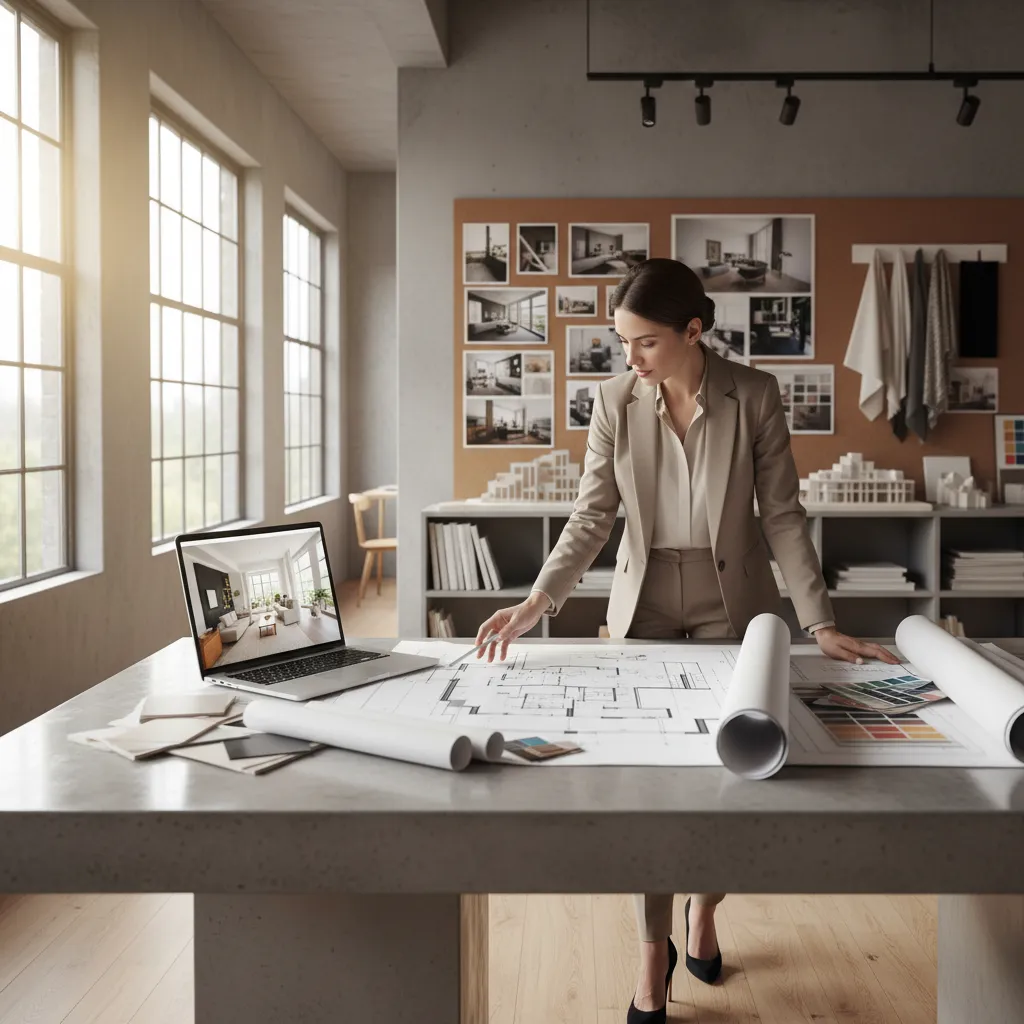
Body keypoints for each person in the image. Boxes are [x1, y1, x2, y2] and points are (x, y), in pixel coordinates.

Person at [473, 258, 899, 1024]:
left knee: (730, 778)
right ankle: (650, 951)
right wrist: (538, 600)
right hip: (644, 603)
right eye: (621, 342)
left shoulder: (755, 395)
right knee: (649, 790)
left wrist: (820, 621)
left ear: (692, 331)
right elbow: (592, 516)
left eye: (642, 343)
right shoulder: (613, 399)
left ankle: (704, 909)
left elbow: (782, 516)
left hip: (732, 600)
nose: (628, 359)